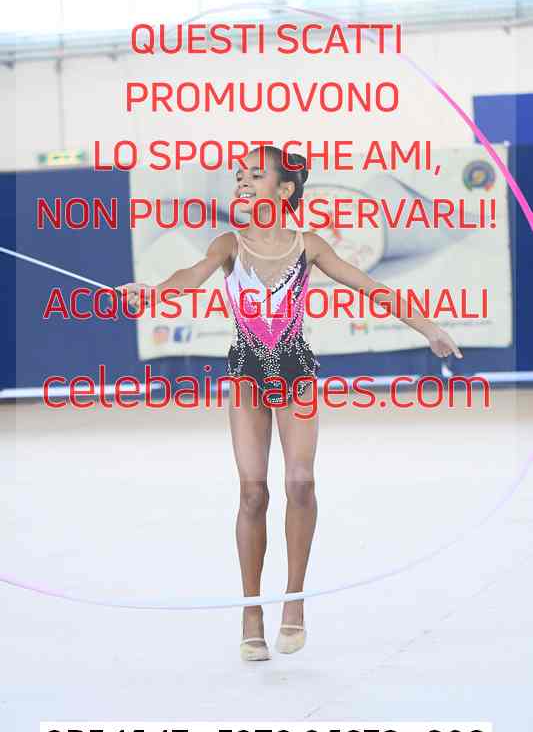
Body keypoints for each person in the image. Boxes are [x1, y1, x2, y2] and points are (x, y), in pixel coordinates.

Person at [117, 146, 462, 662]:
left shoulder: (310, 246)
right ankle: (251, 611)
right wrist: (153, 292)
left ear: (283, 190)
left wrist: (428, 327)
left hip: (296, 372)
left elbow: (369, 285)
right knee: (252, 492)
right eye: (239, 176)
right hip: (247, 377)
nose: (242, 182)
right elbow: (190, 275)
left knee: (301, 483)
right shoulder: (228, 244)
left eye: (255, 175)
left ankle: (294, 598)